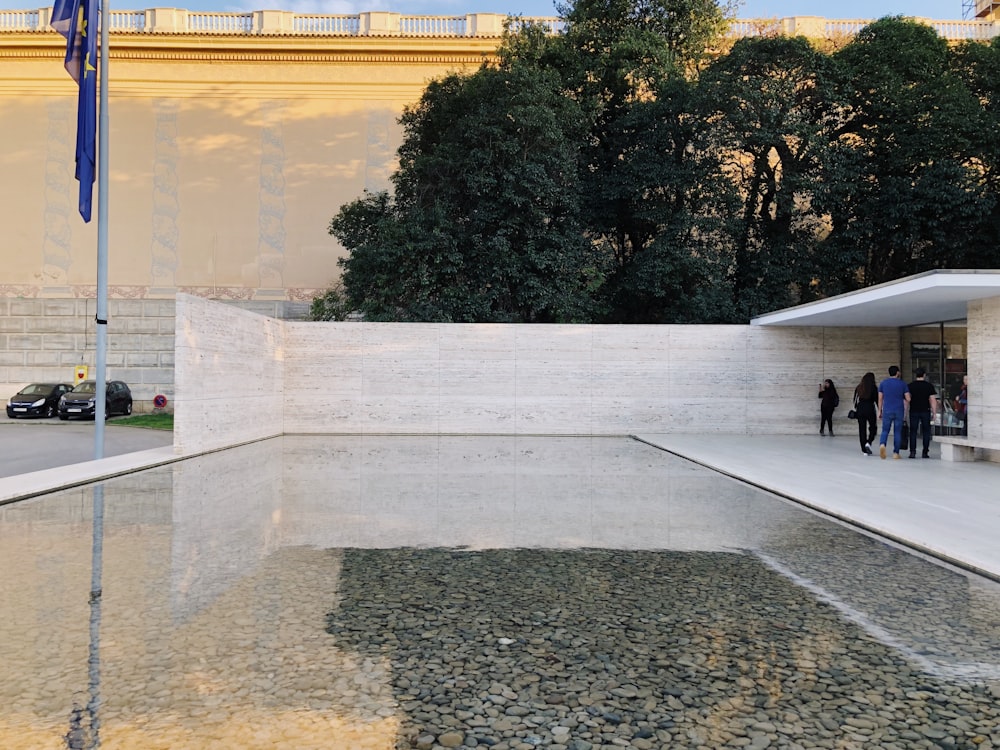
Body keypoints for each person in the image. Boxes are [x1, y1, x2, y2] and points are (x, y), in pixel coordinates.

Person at [877, 365, 910, 459]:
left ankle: (882, 444)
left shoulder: (883, 383)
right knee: (897, 432)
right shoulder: (902, 384)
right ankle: (896, 453)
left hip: (887, 409)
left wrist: (879, 410)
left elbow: (880, 398)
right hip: (899, 410)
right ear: (897, 373)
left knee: (885, 430)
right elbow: (908, 398)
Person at [906, 367, 938, 459]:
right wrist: (934, 412)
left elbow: (907, 400)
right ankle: (925, 452)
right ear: (924, 375)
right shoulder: (929, 386)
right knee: (926, 432)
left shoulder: (910, 386)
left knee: (913, 432)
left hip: (914, 410)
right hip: (925, 410)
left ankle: (912, 452)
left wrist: (905, 412)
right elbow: (932, 400)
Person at [853, 372, 879, 456]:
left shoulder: (859, 387)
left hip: (860, 408)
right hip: (870, 408)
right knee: (873, 427)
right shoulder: (873, 388)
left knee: (862, 429)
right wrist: (880, 410)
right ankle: (869, 441)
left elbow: (855, 400)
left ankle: (864, 449)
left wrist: (857, 409)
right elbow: (877, 400)